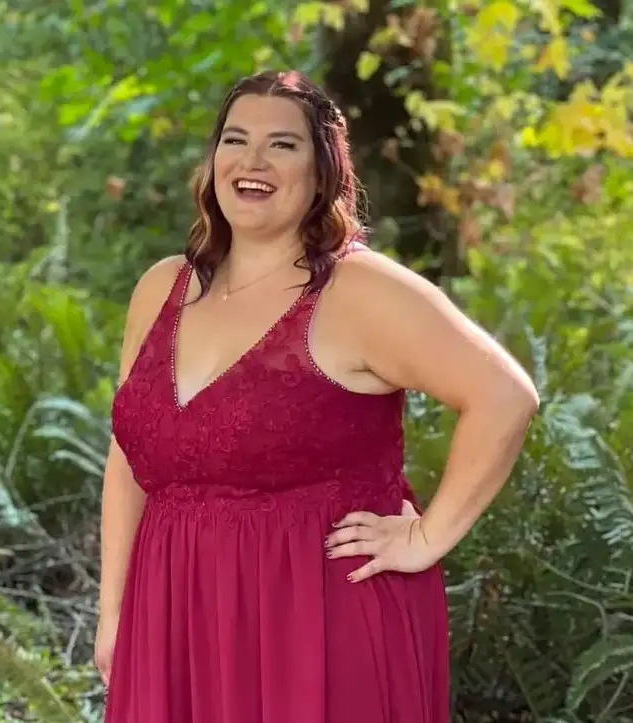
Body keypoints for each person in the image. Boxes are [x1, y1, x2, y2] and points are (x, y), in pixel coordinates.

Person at [96, 69, 539, 723]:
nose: (252, 161)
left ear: (323, 170)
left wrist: (426, 535)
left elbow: (504, 394)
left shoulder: (359, 290)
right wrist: (114, 611)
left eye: (282, 145)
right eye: (235, 140)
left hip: (319, 621)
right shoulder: (161, 287)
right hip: (174, 616)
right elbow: (130, 457)